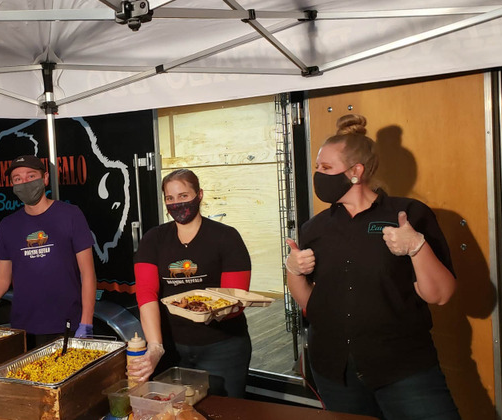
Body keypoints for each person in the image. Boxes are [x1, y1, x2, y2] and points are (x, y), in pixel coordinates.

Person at [285, 114, 460, 420]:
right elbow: (312, 303)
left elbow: (441, 295)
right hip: (335, 372)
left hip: (404, 369)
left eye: (326, 168)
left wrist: (417, 247)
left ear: (356, 171)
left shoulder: (409, 214)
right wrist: (293, 270)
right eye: (317, 168)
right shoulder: (315, 228)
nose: (318, 175)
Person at [0, 155, 97, 349]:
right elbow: (2, 280)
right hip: (24, 327)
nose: (24, 182)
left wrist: (86, 321)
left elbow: (88, 273)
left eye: (30, 176)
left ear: (44, 179)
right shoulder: (8, 225)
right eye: (17, 179)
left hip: (66, 324)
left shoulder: (70, 215)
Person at [128, 169, 252, 398]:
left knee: (224, 410)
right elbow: (146, 292)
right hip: (172, 348)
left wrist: (215, 310)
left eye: (183, 196)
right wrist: (155, 346)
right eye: (170, 198)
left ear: (199, 195)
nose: (176, 203)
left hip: (223, 346)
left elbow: (236, 296)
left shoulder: (226, 237)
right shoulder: (153, 239)